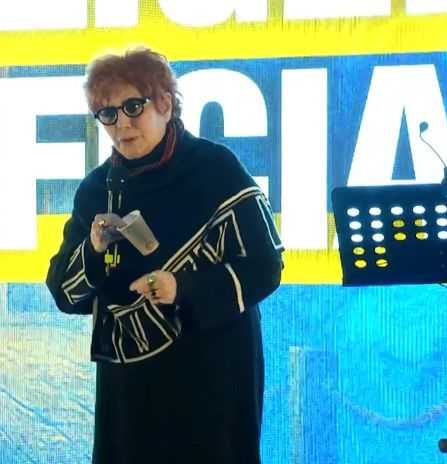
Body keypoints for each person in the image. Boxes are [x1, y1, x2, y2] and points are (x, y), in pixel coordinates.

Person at [46, 47, 284, 464]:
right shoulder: (97, 189)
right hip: (130, 395)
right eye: (107, 114)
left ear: (165, 104)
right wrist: (94, 250)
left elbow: (266, 268)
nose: (121, 124)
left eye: (133, 107)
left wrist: (182, 287)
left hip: (213, 384)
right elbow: (64, 294)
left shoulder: (217, 170)